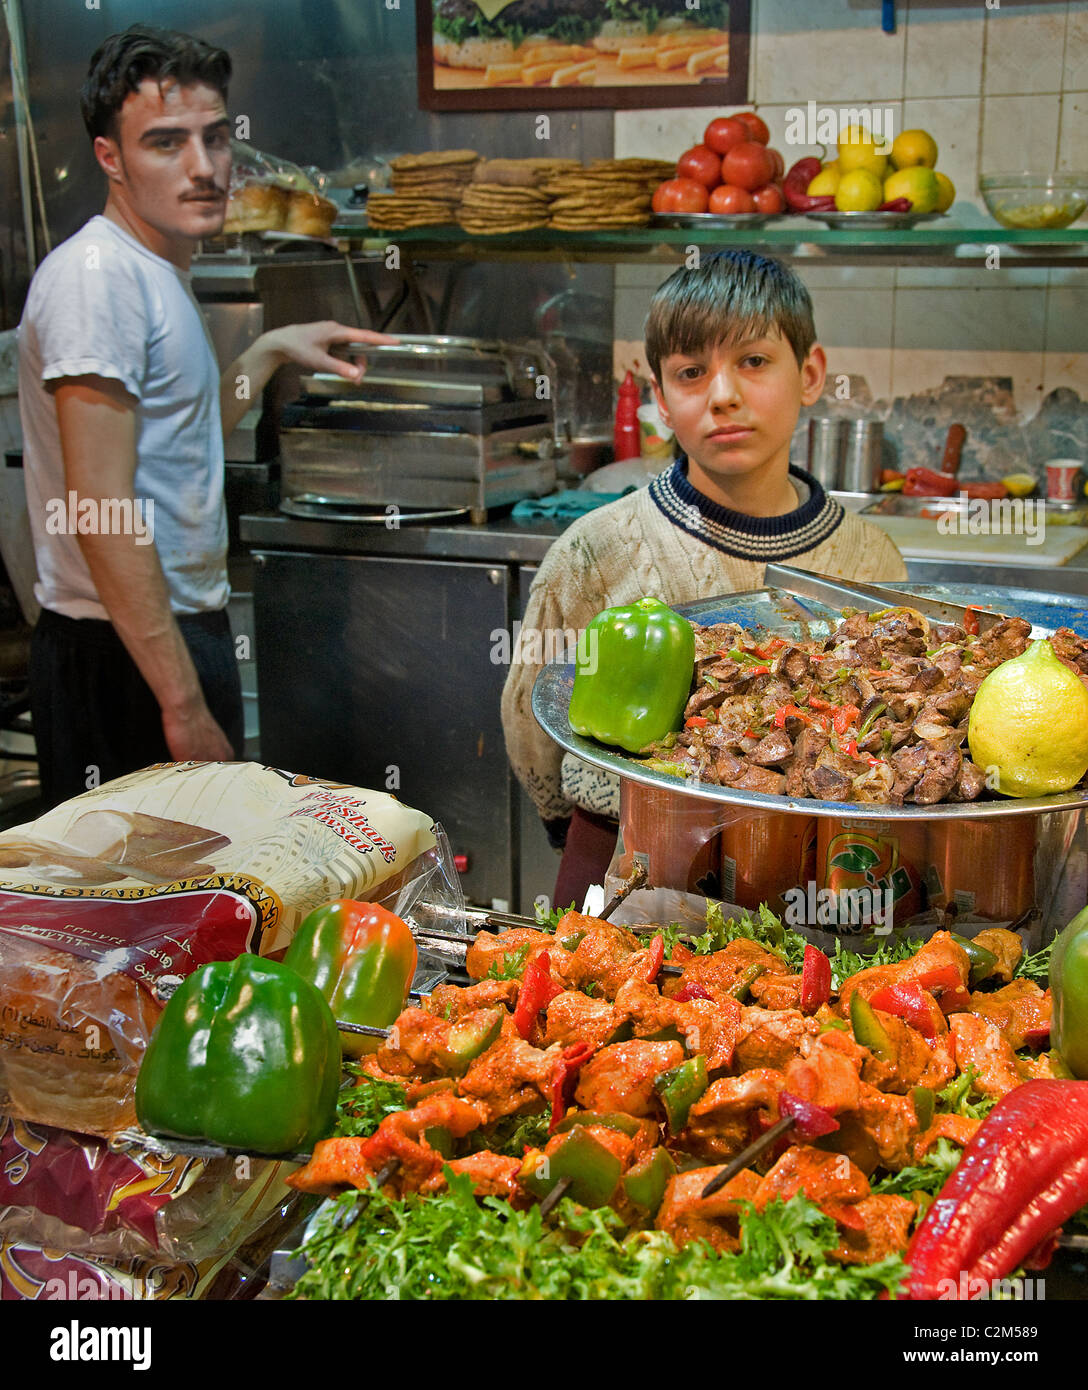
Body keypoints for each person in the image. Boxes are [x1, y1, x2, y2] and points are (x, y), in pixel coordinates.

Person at [17, 25, 392, 808]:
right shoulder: (98, 280)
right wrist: (181, 704)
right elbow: (101, 507)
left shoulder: (154, 269)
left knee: (191, 907)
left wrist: (267, 354)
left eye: (215, 138)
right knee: (131, 918)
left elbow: (184, 438)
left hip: (168, 633)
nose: (203, 167)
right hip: (119, 654)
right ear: (109, 158)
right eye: (165, 143)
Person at [501, 250, 908, 905]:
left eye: (753, 361)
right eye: (692, 372)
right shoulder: (595, 552)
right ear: (660, 398)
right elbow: (529, 720)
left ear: (809, 374)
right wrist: (570, 822)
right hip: (620, 856)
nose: (723, 395)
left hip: (811, 871)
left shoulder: (869, 563)